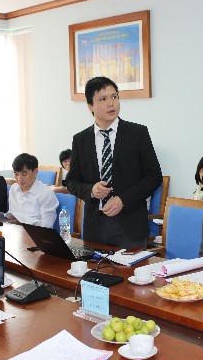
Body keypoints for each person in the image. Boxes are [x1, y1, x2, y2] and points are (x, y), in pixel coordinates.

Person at [66, 76, 162, 249]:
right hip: (95, 227)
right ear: (90, 106)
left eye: (114, 97)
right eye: (103, 99)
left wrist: (123, 199)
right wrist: (91, 190)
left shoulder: (137, 133)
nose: (111, 103)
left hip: (130, 225)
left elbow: (154, 177)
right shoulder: (80, 140)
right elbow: (72, 181)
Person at [7, 153, 59, 228]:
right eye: (16, 174)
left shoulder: (46, 194)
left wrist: (22, 222)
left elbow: (47, 225)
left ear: (35, 172)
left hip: (35, 233)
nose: (19, 179)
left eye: (24, 174)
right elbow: (12, 214)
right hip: (16, 231)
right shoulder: (13, 189)